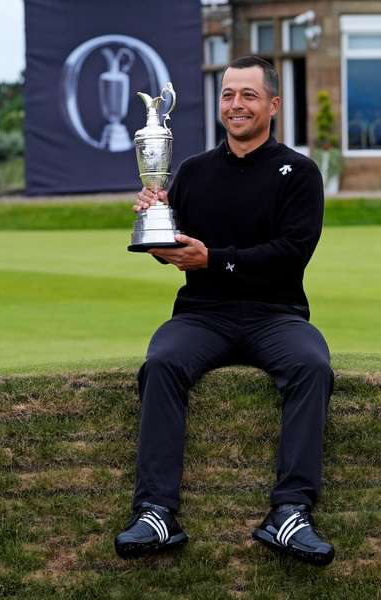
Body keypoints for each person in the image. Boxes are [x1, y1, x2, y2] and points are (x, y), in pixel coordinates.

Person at [113, 55, 335, 567]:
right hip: (201, 314)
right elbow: (175, 248)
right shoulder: (192, 171)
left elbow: (291, 253)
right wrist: (156, 222)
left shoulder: (299, 173)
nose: (236, 105)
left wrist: (212, 258)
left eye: (249, 95)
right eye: (229, 95)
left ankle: (291, 512)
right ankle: (156, 513)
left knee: (312, 366)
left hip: (276, 314)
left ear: (273, 105)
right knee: (162, 363)